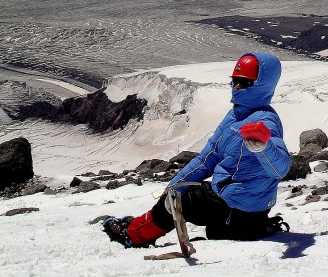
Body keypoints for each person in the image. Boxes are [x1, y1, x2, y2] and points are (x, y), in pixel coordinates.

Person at [103, 51, 291, 246]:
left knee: (177, 201)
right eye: (235, 80)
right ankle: (249, 227)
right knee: (176, 194)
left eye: (245, 82)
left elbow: (280, 168)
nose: (237, 86)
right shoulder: (235, 116)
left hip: (236, 205)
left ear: (262, 84)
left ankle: (133, 235)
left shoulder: (265, 121)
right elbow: (208, 158)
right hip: (238, 202)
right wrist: (174, 186)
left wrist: (264, 147)